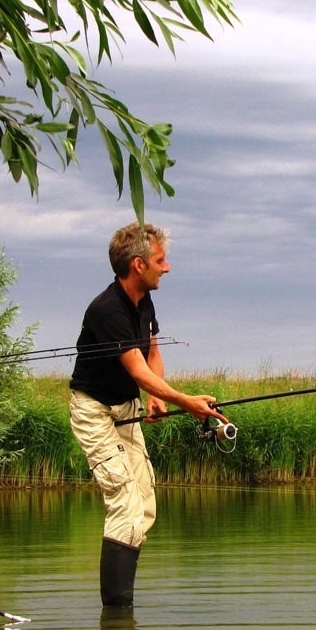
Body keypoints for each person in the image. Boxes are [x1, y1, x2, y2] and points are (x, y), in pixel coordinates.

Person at [69, 222, 227, 608]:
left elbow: (151, 353)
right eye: (161, 260)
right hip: (94, 411)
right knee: (124, 500)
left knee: (144, 505)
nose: (167, 267)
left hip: (127, 408)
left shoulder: (143, 301)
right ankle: (118, 614)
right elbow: (136, 371)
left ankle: (121, 626)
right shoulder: (107, 309)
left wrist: (157, 398)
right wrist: (186, 401)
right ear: (138, 264)